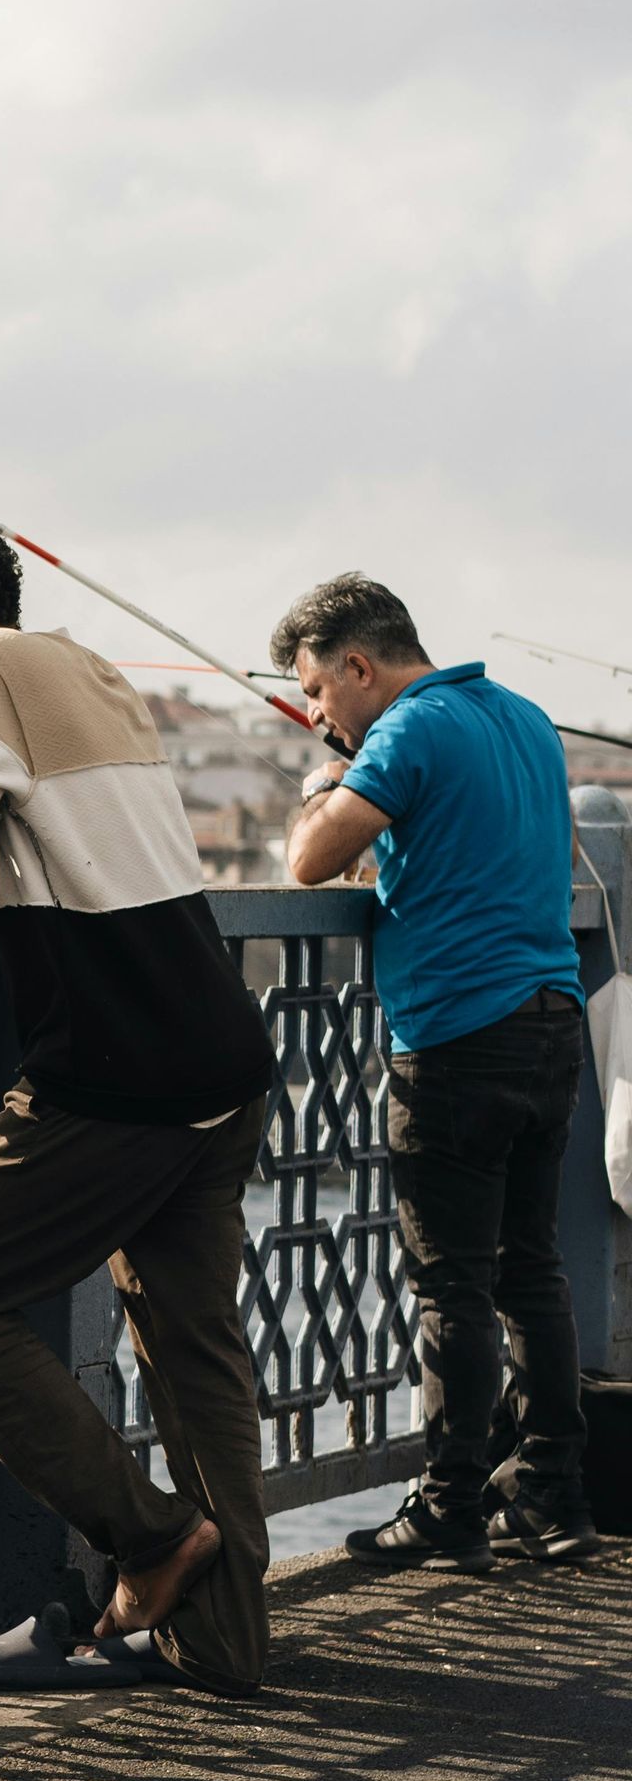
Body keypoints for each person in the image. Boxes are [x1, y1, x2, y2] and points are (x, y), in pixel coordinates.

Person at [0, 513, 278, 1695]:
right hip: (215, 1055)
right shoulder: (95, 677)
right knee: (197, 1353)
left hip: (117, 1070)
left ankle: (152, 1542)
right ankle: (223, 1643)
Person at [273, 573, 598, 1569]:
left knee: (449, 1283)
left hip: (458, 1036)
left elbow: (309, 864)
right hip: (551, 1021)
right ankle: (550, 1492)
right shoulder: (526, 720)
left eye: (319, 694)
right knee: (530, 1271)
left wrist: (325, 783)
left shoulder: (407, 733)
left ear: (360, 665)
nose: (318, 715)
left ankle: (448, 1504)